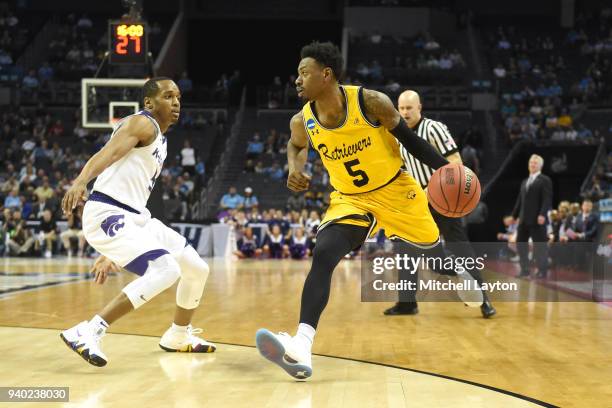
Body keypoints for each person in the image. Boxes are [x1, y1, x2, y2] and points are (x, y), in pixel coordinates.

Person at [256, 42, 467, 380]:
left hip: (398, 192)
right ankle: (301, 344)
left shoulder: (370, 102)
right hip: (351, 199)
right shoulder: (303, 120)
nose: (296, 80)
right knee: (323, 253)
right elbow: (295, 146)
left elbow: (411, 141)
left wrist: (446, 170)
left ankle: (459, 274)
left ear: (326, 75)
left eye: (303, 73)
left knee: (438, 261)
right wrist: (294, 167)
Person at [59, 78, 215, 368]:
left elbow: (129, 186)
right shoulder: (143, 124)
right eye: (168, 96)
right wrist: (81, 181)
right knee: (166, 269)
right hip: (107, 212)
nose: (176, 102)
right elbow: (108, 153)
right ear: (149, 103)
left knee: (196, 268)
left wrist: (111, 253)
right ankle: (89, 330)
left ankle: (178, 336)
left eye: (178, 97)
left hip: (134, 217)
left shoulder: (161, 141)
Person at [388, 90, 496, 318]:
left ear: (420, 108)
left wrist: (433, 187)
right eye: (402, 108)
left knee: (460, 247)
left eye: (409, 108)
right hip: (417, 203)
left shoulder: (434, 128)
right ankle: (407, 303)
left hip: (444, 198)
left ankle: (484, 299)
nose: (405, 112)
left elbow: (456, 161)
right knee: (406, 251)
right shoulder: (397, 136)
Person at [512, 154, 553, 278]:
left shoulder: (545, 180)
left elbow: (547, 199)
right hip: (523, 219)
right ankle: (524, 270)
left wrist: (542, 214)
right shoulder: (525, 181)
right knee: (520, 245)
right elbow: (520, 200)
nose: (532, 165)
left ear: (540, 165)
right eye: (531, 162)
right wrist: (513, 216)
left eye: (535, 163)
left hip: (537, 219)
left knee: (540, 246)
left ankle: (542, 271)